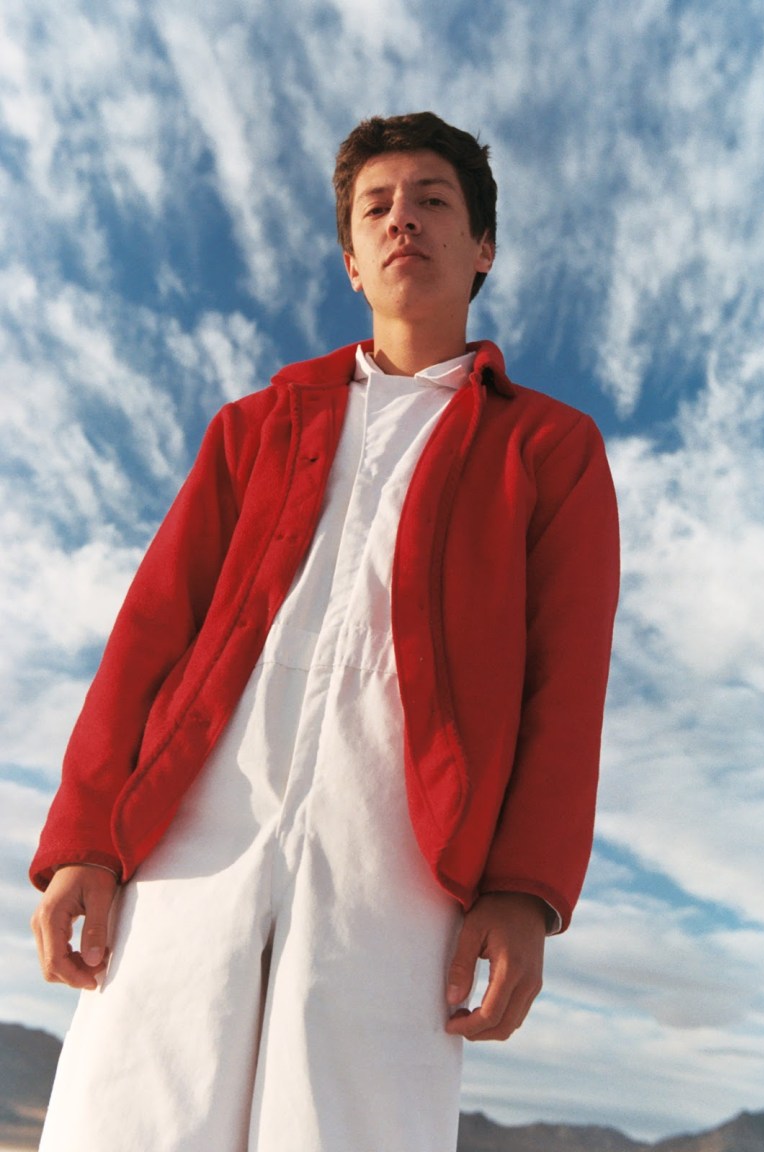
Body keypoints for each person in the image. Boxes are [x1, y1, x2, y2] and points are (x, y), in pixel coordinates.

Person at [30, 112, 620, 1151]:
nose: (406, 222)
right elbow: (150, 633)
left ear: (483, 247)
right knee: (132, 1114)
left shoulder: (550, 448)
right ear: (350, 260)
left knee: (349, 1127)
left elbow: (563, 687)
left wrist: (526, 893)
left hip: (403, 852)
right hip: (191, 829)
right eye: (377, 207)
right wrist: (85, 837)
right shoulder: (258, 426)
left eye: (435, 200)